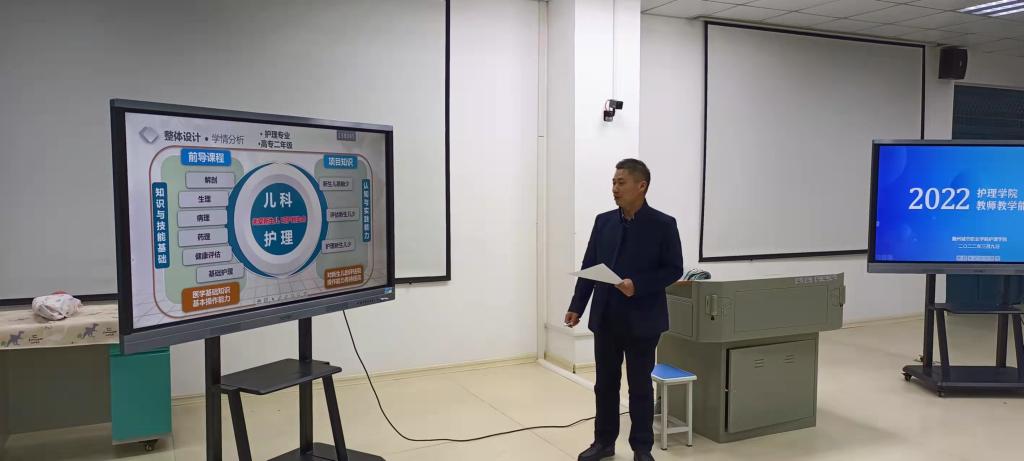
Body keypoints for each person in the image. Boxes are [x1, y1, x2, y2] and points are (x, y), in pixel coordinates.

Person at [565, 158, 684, 461]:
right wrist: (577, 306)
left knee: (640, 387)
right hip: (606, 317)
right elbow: (590, 266)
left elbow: (674, 269)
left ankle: (642, 448)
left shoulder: (663, 224)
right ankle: (603, 443)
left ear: (641, 186)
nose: (615, 188)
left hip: (643, 320)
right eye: (613, 182)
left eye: (621, 182)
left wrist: (638, 285)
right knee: (605, 385)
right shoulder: (604, 221)